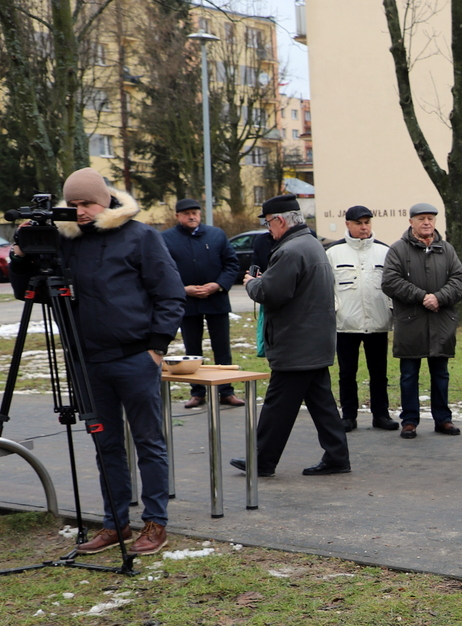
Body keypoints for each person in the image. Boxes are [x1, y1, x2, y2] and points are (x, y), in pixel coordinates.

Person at [9, 167, 183, 555]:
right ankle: (115, 523)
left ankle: (156, 523)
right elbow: (27, 292)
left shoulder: (141, 237)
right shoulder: (62, 241)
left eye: (87, 202)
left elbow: (170, 294)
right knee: (106, 446)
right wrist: (21, 252)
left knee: (148, 442)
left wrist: (156, 348)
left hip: (135, 358)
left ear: (104, 201)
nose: (81, 210)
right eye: (72, 204)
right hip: (87, 362)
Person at [237, 194, 351, 477]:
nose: (268, 230)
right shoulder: (311, 244)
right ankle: (337, 456)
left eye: (268, 224)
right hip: (313, 341)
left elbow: (271, 293)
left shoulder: (290, 250)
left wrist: (253, 283)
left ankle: (261, 461)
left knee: (278, 406)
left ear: (279, 220)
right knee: (322, 404)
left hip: (296, 344)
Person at [381, 202, 462, 439]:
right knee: (409, 374)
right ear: (411, 222)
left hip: (441, 322)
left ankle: (443, 419)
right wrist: (422, 297)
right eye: (421, 219)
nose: (426, 222)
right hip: (411, 322)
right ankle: (409, 421)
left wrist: (439, 298)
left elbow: (459, 280)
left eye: (430, 218)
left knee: (441, 374)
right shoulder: (398, 249)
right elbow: (390, 281)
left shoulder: (447, 249)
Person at [160, 198, 243, 410]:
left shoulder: (216, 235)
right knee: (192, 350)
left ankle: (227, 391)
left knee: (222, 348)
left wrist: (218, 285)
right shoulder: (166, 238)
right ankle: (197, 393)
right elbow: (163, 270)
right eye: (186, 213)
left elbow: (232, 264)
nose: (191, 216)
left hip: (216, 301)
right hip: (187, 303)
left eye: (195, 212)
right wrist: (182, 289)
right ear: (177, 216)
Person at [326, 205, 398, 432]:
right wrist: (335, 311)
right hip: (345, 324)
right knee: (347, 373)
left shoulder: (385, 252)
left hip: (378, 322)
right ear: (347, 224)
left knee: (379, 373)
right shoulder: (332, 253)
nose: (364, 227)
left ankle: (381, 415)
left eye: (367, 222)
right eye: (359, 223)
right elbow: (327, 289)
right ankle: (348, 416)